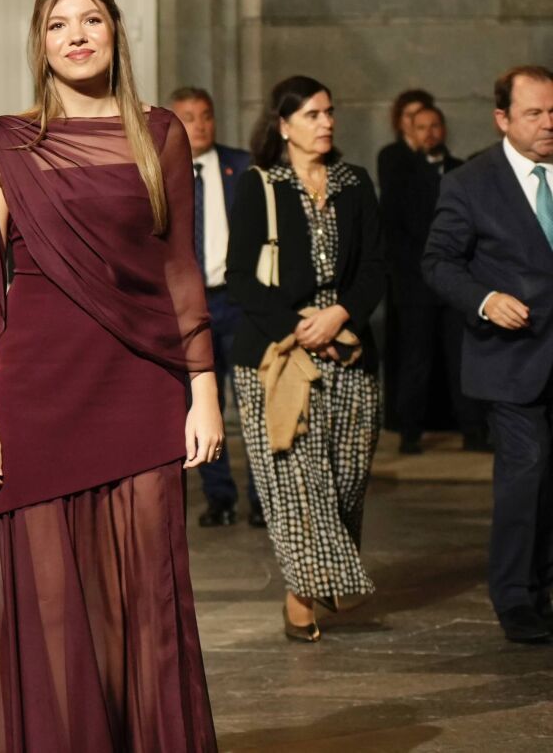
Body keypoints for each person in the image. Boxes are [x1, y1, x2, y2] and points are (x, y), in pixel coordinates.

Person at [0, 0, 222, 752]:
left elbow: (179, 267)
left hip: (141, 384)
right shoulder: (3, 141)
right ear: (38, 44)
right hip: (37, 392)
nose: (76, 34)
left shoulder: (159, 131)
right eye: (58, 23)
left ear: (115, 32)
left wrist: (201, 390)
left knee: (151, 599)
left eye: (92, 19)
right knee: (53, 609)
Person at [225, 75, 387, 643]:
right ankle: (301, 596)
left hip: (348, 352)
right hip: (277, 357)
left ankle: (324, 574)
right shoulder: (259, 186)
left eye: (329, 112)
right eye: (314, 114)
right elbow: (240, 278)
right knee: (296, 483)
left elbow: (375, 268)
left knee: (345, 480)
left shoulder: (354, 182)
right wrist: (299, 327)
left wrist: (340, 316)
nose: (327, 123)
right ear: (283, 125)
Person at [424, 65, 553, 645]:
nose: (549, 124)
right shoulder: (471, 182)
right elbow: (438, 263)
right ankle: (515, 598)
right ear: (503, 118)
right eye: (535, 113)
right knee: (524, 475)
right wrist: (485, 299)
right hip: (511, 360)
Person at [169, 85, 262, 528]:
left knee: (252, 401)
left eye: (205, 115)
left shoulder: (241, 167)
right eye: (188, 116)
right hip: (190, 304)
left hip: (237, 300)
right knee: (203, 403)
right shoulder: (163, 171)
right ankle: (219, 497)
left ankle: (264, 501)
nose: (200, 125)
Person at [386, 102, 476, 454]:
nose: (429, 133)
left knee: (461, 357)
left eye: (434, 125)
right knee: (416, 359)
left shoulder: (462, 170)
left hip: (457, 284)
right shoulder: (404, 174)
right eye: (421, 127)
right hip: (416, 286)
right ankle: (410, 431)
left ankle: (473, 430)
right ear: (410, 131)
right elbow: (395, 231)